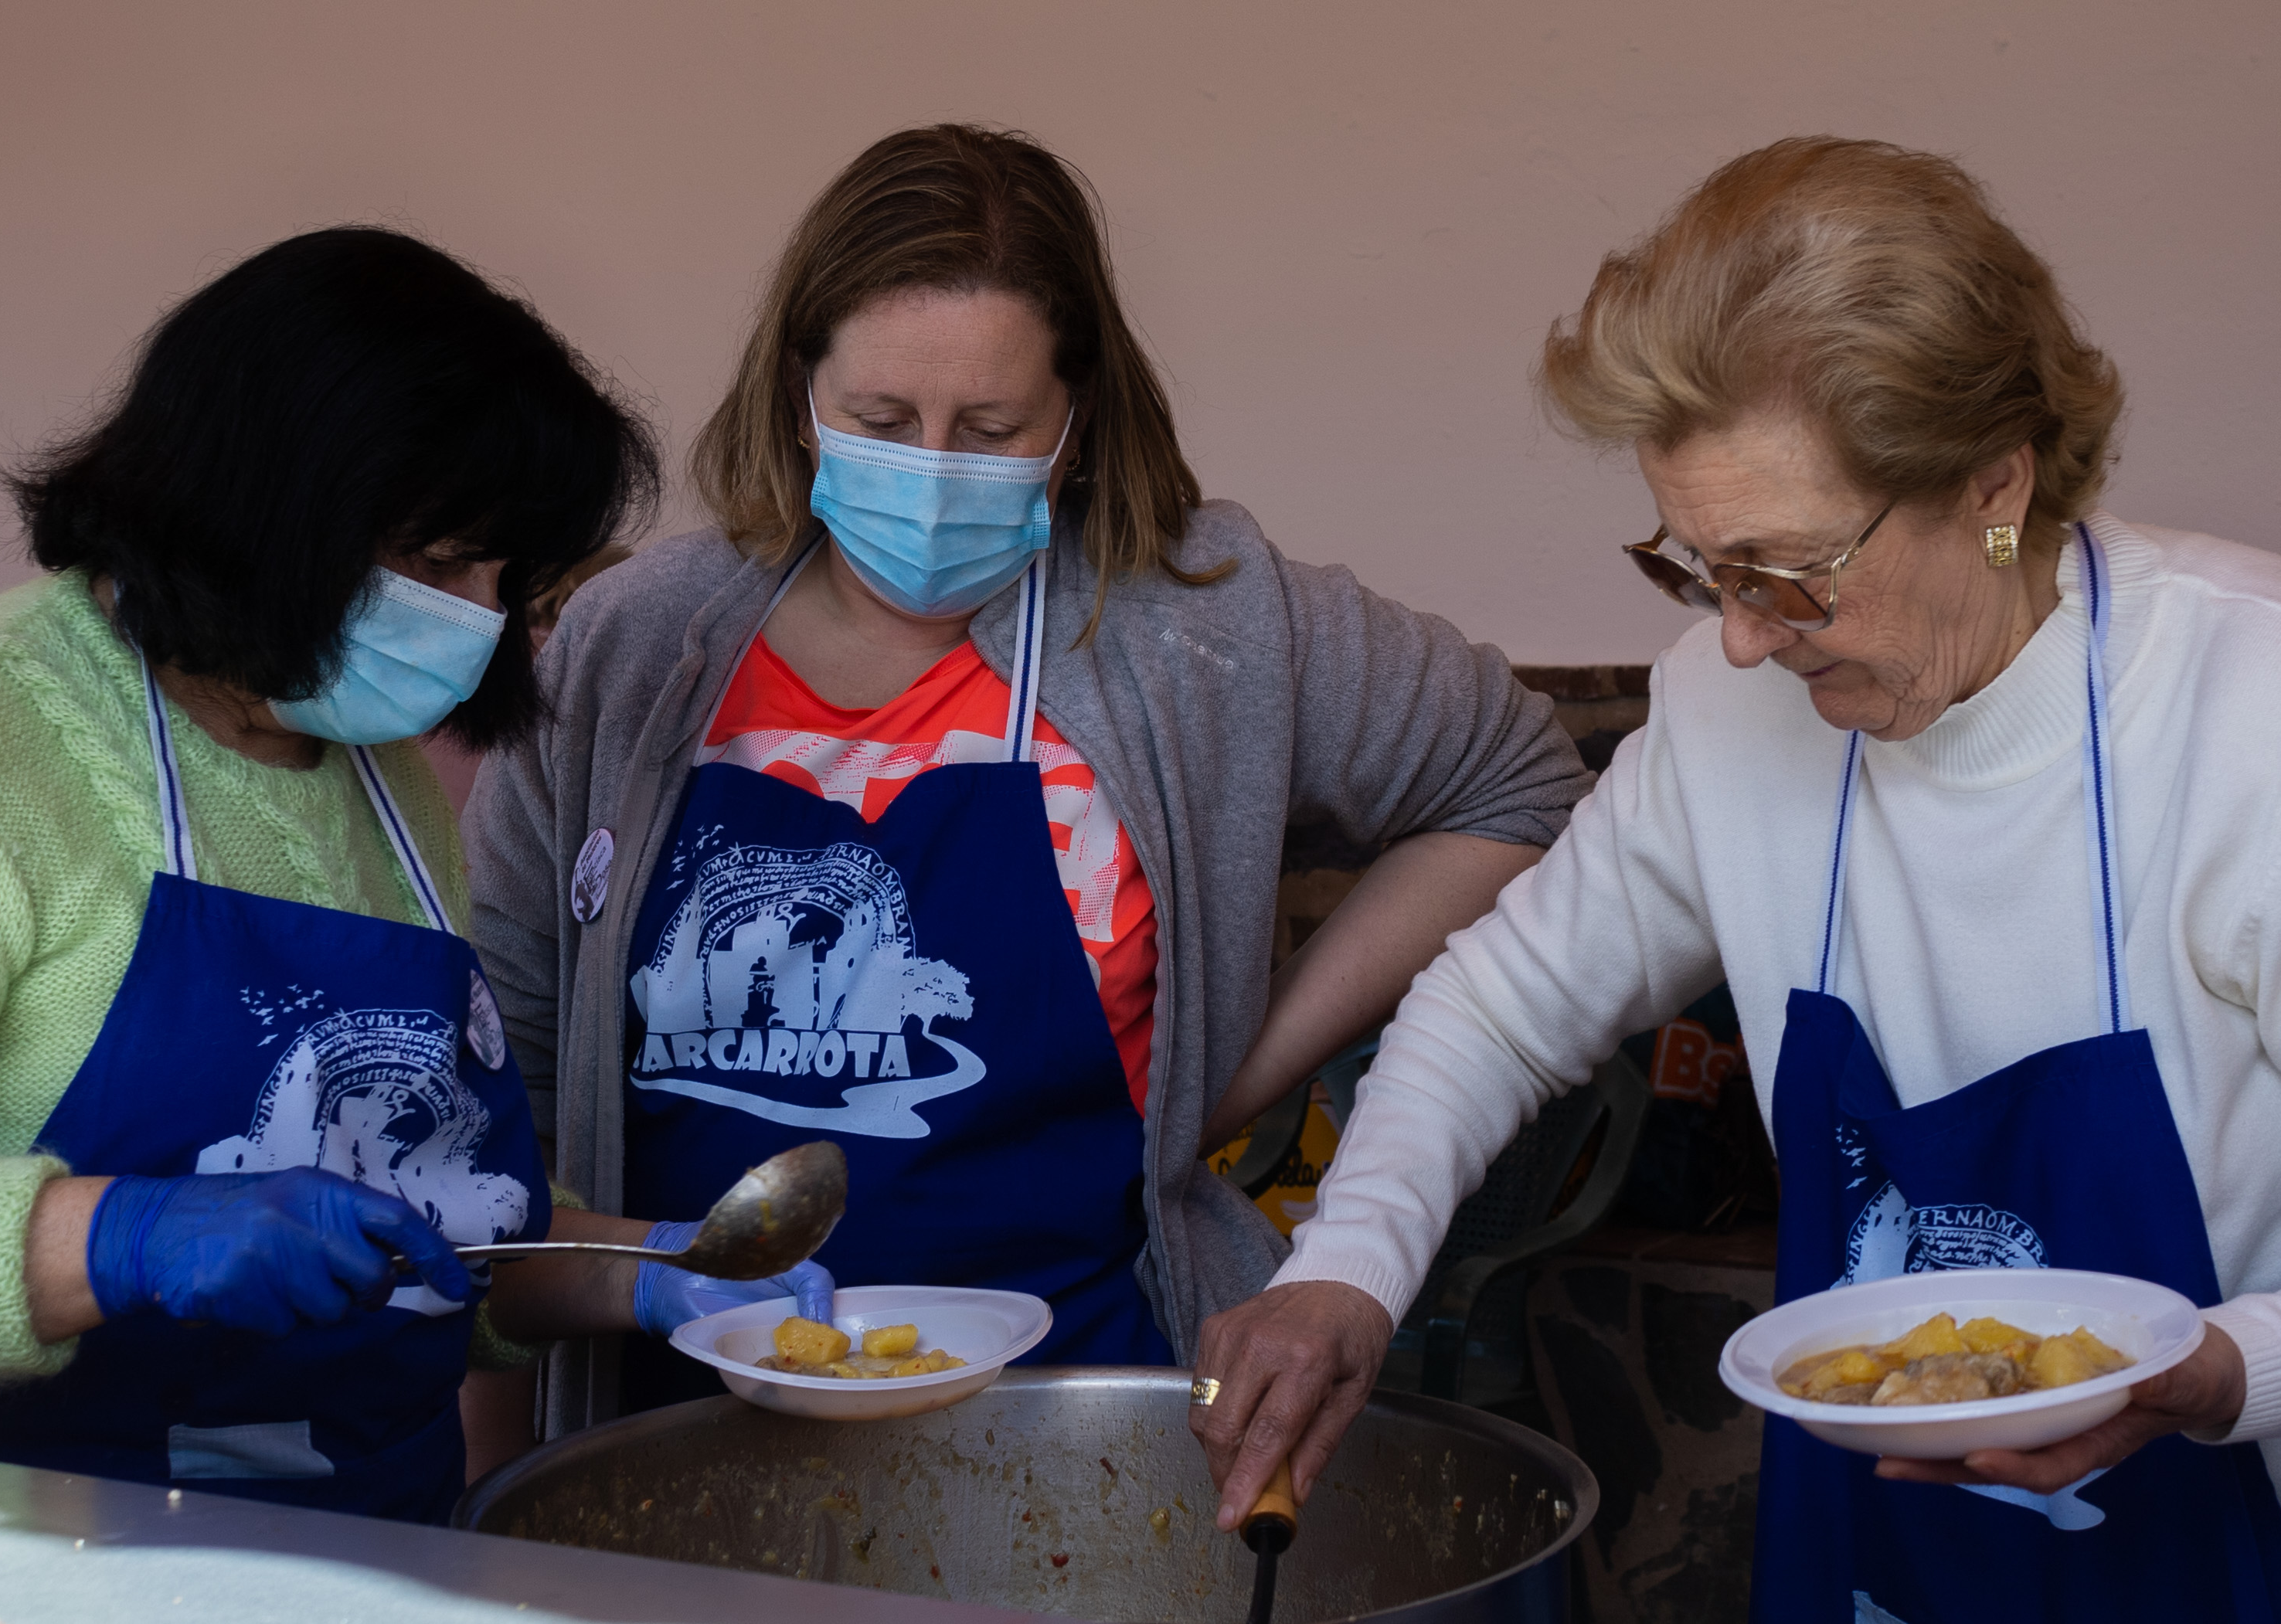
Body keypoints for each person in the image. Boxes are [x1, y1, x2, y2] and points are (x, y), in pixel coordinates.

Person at [1188, 138, 2281, 1622]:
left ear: (1996, 486)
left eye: (1789, 567)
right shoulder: (1725, 711)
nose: (1745, 638)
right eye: (1697, 567)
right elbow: (1496, 1009)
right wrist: (1346, 1268)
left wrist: (2217, 1368)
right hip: (1922, 1540)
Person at [464, 124, 1589, 1426]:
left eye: (992, 428)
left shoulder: (1200, 624)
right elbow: (510, 1106)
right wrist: (500, 1490)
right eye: (884, 420)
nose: (934, 468)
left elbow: (1518, 781)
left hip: (1082, 1423)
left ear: (1078, 417)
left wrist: (1238, 1071)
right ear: (798, 392)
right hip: (669, 1433)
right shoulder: (638, 642)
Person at [0, 228, 658, 1520]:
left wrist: (651, 1270)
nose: (479, 614)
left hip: (386, 1548)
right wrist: (114, 1236)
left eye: (503, 573)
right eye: (437, 564)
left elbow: (436, 1227)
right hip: (37, 1563)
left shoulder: (382, 779)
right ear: (263, 506)